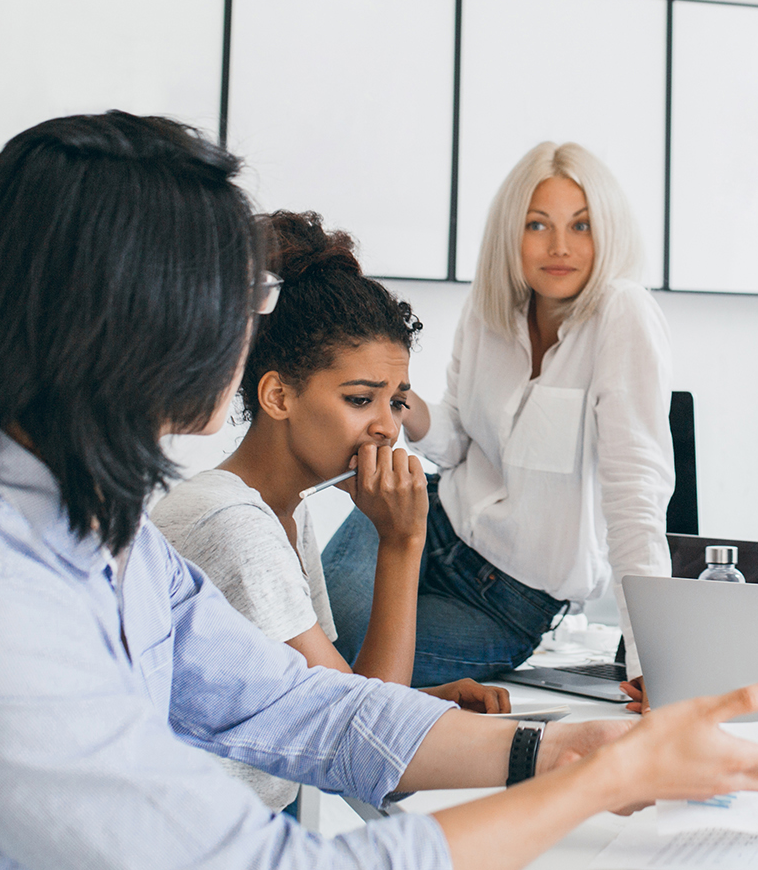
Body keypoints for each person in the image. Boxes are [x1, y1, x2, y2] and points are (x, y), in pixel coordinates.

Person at [0, 112, 758, 870]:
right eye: (231, 295)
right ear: (126, 318)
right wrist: (590, 786)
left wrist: (563, 753)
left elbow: (293, 705)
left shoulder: (92, 534)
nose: (248, 327)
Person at [152, 210, 510, 812]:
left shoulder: (282, 514)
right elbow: (372, 757)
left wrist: (427, 703)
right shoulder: (235, 527)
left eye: (396, 403)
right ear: (278, 395)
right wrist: (401, 544)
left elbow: (330, 698)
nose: (386, 428)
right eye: (359, 399)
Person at [325, 141, 672, 686]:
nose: (559, 246)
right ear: (512, 231)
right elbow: (460, 441)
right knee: (308, 618)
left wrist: (653, 663)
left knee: (346, 648)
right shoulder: (488, 309)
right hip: (436, 514)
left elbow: (637, 496)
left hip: (508, 601)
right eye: (538, 225)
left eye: (581, 226)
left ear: (607, 231)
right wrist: (399, 402)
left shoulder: (621, 315)